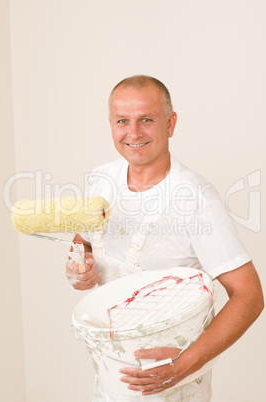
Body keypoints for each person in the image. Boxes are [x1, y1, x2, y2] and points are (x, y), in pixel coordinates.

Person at [66, 75, 264, 401]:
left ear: (170, 124)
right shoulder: (102, 180)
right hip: (111, 374)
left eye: (147, 119)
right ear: (111, 125)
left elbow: (250, 295)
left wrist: (184, 364)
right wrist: (80, 268)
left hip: (175, 381)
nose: (134, 132)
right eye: (122, 121)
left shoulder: (196, 200)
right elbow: (84, 243)